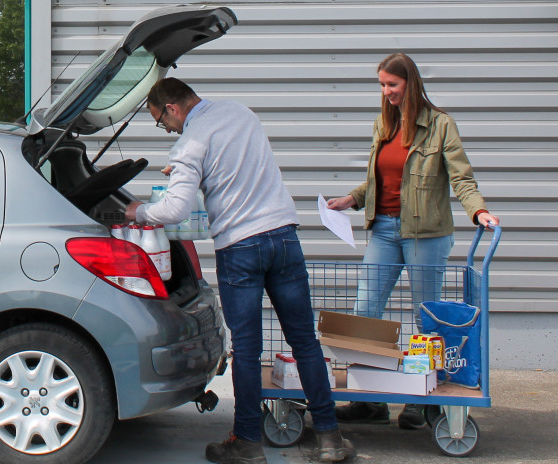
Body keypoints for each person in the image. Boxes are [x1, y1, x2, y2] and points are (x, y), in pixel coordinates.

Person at [126, 77, 355, 464]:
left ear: (172, 107)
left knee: (247, 351)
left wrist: (139, 212)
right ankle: (330, 438)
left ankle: (247, 443)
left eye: (161, 121)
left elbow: (175, 211)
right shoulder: (240, 113)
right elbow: (235, 165)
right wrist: (190, 174)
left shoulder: (188, 145)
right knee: (304, 341)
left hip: (240, 247)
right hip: (283, 236)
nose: (166, 129)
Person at [326, 53, 499, 429]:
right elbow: (381, 180)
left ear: (411, 84)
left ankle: (423, 399)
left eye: (393, 84)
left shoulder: (440, 126)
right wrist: (351, 199)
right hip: (384, 229)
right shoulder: (383, 125)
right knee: (366, 309)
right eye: (383, 85)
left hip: (426, 233)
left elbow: (461, 177)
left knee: (426, 319)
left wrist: (478, 211)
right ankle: (369, 400)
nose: (386, 92)